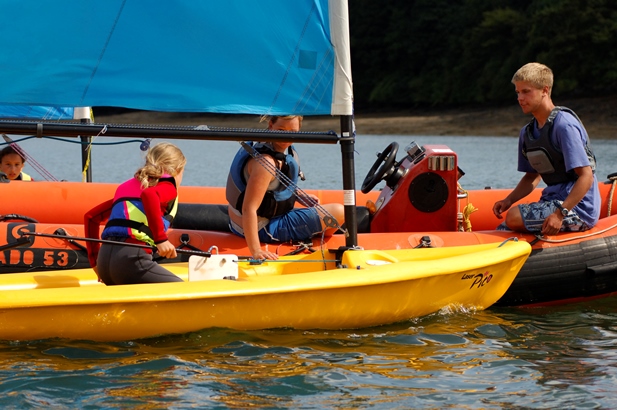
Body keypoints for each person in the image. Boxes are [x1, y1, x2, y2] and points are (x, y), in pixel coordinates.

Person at [493, 62, 600, 235]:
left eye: (526, 91)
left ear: (544, 90)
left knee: (513, 217)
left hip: (579, 209)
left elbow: (586, 176)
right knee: (502, 230)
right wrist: (508, 200)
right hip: (552, 201)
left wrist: (559, 215)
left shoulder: (564, 126)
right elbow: (532, 177)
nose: (520, 98)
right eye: (518, 92)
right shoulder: (527, 133)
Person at [226, 115, 345, 260]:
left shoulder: (278, 150)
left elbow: (271, 187)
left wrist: (300, 196)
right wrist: (256, 250)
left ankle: (307, 231)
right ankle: (308, 235)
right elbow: (248, 208)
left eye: (292, 131)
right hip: (262, 228)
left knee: (327, 214)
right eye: (281, 130)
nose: (286, 136)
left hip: (255, 220)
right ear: (271, 125)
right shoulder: (265, 163)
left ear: (299, 130)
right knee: (339, 212)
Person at [84, 142, 187, 285]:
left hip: (104, 262)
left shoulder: (127, 186)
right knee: (181, 291)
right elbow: (149, 195)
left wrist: (95, 262)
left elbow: (91, 217)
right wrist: (161, 240)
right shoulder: (167, 185)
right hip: (131, 260)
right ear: (177, 170)